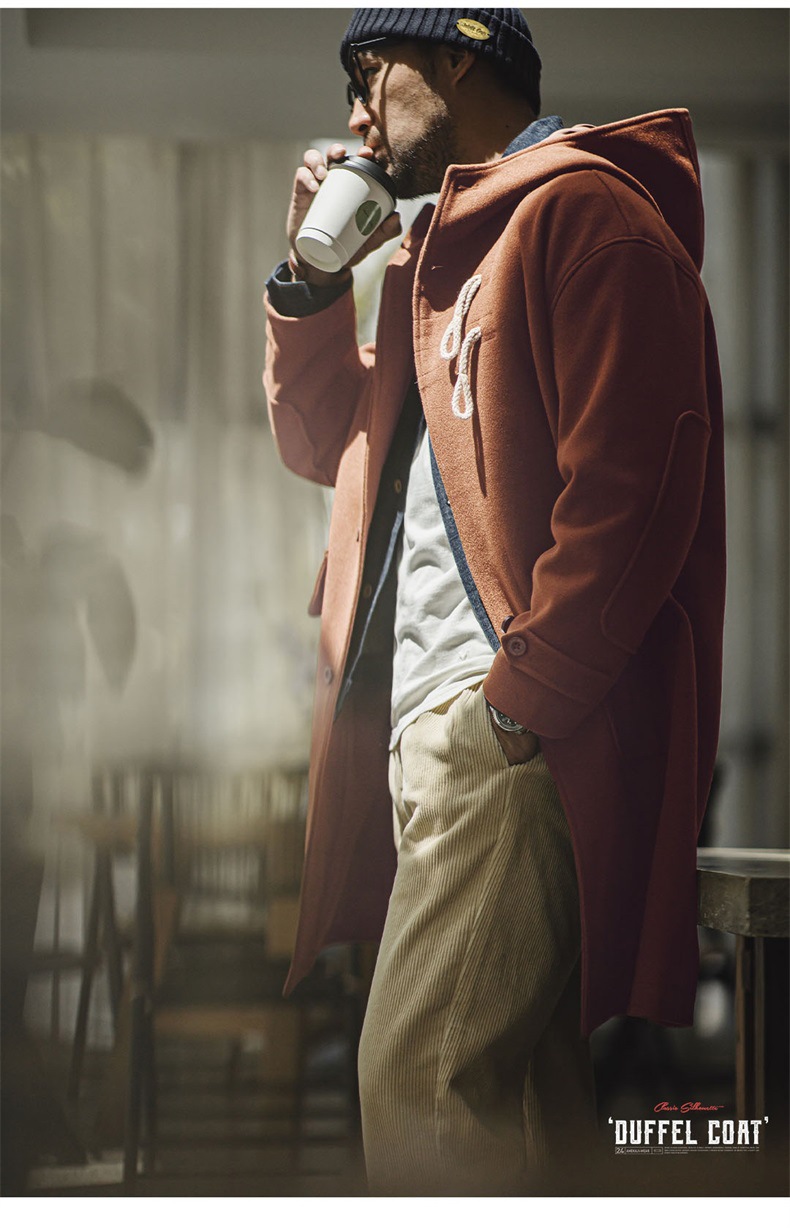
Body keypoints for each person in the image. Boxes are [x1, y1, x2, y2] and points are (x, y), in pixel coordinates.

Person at [263, 7, 725, 1196]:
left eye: (371, 75)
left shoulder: (585, 215)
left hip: (503, 730)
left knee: (419, 1082)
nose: (355, 114)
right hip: (443, 731)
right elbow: (325, 444)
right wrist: (311, 280)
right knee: (519, 1102)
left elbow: (633, 491)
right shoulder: (434, 257)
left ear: (456, 57)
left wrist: (516, 706)